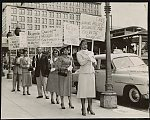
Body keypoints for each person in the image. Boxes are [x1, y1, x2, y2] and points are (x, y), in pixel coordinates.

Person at [76, 40, 97, 116]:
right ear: (81, 45)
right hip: (83, 73)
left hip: (90, 72)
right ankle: (83, 107)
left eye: (86, 44)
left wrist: (94, 62)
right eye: (83, 44)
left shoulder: (91, 53)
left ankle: (90, 107)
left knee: (90, 91)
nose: (85, 46)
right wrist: (88, 58)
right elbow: (81, 63)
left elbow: (94, 61)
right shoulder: (79, 53)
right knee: (83, 91)